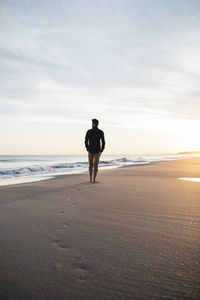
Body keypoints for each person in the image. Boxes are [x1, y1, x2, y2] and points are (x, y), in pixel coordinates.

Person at [85, 119, 105, 183]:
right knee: (95, 165)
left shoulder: (89, 131)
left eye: (92, 123)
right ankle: (94, 179)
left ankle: (90, 179)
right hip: (97, 151)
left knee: (91, 165)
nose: (91, 124)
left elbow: (86, 141)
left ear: (94, 124)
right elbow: (103, 142)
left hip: (90, 150)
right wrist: (101, 150)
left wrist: (87, 148)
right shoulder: (101, 132)